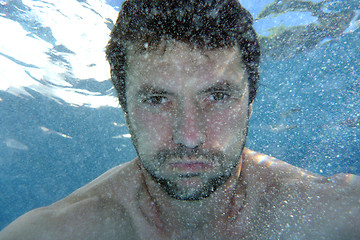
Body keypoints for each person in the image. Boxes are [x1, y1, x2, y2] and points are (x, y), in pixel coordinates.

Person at [1, 0, 359, 239]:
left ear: (249, 103)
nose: (189, 136)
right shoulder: (58, 232)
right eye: (157, 99)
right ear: (125, 108)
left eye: (217, 96)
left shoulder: (336, 216)